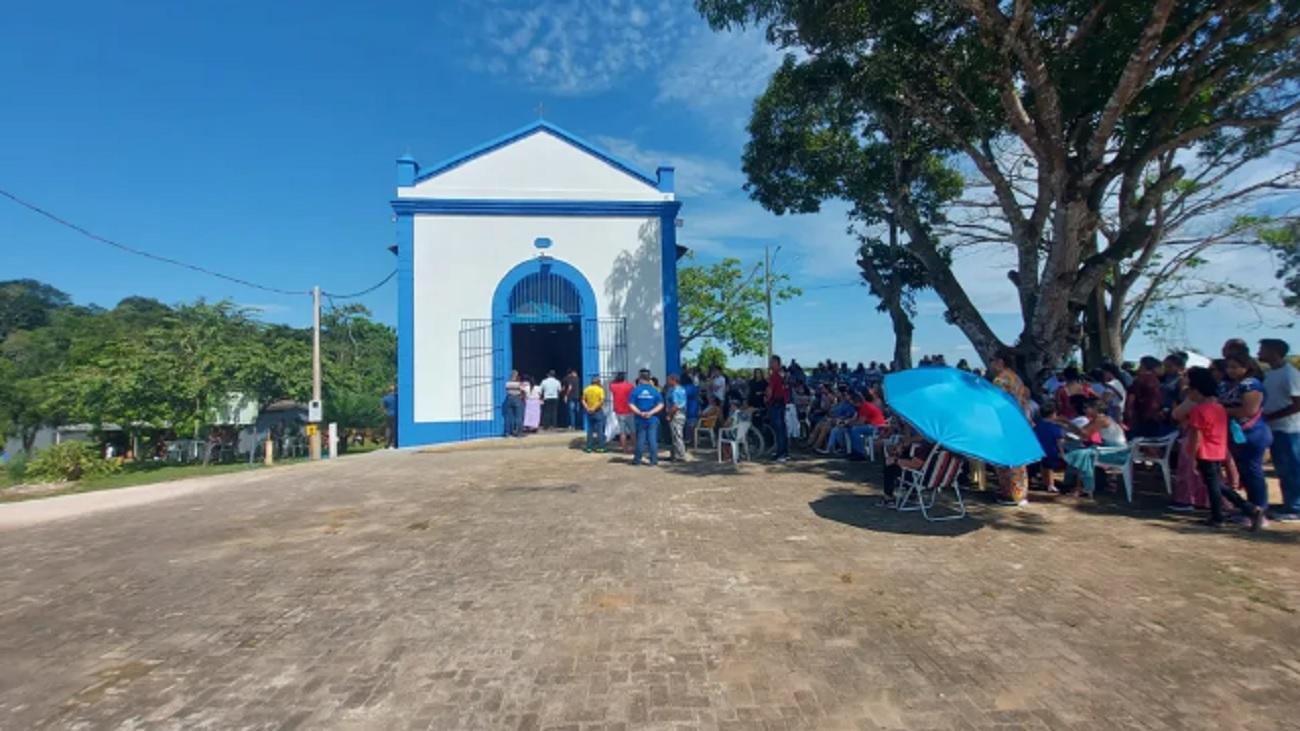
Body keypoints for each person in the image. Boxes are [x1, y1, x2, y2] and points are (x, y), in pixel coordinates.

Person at [1180, 366, 1264, 530]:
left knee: (1214, 485)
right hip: (1217, 449)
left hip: (1204, 451)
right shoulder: (1219, 408)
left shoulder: (1198, 410)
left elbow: (1197, 436)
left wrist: (1193, 456)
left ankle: (1242, 511)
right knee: (1215, 484)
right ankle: (1224, 514)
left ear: (1197, 391)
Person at [1220, 353, 1273, 522]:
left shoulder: (1251, 385)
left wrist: (1222, 411)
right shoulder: (1230, 385)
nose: (1231, 371)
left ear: (1247, 367)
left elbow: (1249, 410)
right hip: (1236, 433)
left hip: (1252, 433)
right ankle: (1250, 508)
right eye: (1229, 367)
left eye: (1235, 367)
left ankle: (1260, 509)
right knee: (1244, 471)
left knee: (1253, 471)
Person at [1259, 339, 1300, 521]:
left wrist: (1271, 416)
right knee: (1282, 468)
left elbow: (1297, 403)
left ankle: (1296, 507)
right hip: (1274, 428)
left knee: (1292, 467)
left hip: (1289, 429)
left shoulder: (1290, 374)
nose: (1259, 352)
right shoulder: (1270, 374)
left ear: (1275, 351)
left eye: (1263, 349)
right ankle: (1288, 502)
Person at [1060, 397, 1128, 497]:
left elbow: (1084, 434)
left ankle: (1083, 488)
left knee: (1082, 455)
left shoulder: (1101, 419)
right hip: (1111, 448)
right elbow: (1082, 431)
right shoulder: (1099, 419)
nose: (1085, 410)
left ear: (1095, 409)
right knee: (1082, 453)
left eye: (1087, 408)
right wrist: (1066, 425)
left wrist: (1068, 423)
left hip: (1116, 452)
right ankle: (1081, 486)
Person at [989, 349, 1032, 506]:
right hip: (1019, 421)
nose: (991, 364)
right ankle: (1021, 493)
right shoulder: (1015, 378)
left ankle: (1009, 494)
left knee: (1006, 460)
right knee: (1019, 462)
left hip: (1006, 424)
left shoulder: (1000, 380)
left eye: (993, 361)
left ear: (1000, 361)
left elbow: (996, 405)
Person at [1125, 356, 1166, 438]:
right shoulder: (1156, 380)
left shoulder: (1139, 380)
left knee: (1142, 441)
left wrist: (1129, 413)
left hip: (1141, 416)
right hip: (1154, 415)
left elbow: (1131, 398)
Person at [629, 372, 665, 466]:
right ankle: (653, 461)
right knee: (652, 439)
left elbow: (631, 404)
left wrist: (640, 412)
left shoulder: (636, 390)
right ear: (649, 380)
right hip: (652, 418)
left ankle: (637, 460)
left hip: (640, 418)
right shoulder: (654, 391)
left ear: (640, 379)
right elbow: (661, 404)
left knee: (640, 439)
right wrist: (651, 412)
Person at [1032, 402, 1067, 493]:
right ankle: (1051, 485)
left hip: (1039, 450)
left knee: (1043, 467)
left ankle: (1045, 482)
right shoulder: (1055, 427)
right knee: (1050, 469)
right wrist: (1062, 452)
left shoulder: (1037, 425)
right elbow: (1059, 441)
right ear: (1053, 414)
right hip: (1051, 450)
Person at [766, 355, 790, 462]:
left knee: (779, 429)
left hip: (775, 403)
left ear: (776, 363)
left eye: (771, 362)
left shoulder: (774, 375)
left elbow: (770, 390)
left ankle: (781, 454)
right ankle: (784, 452)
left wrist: (766, 398)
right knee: (782, 429)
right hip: (782, 403)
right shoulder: (784, 374)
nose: (770, 364)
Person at [609, 372, 634, 453]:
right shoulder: (629, 386)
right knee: (633, 431)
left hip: (619, 411)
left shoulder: (613, 386)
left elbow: (611, 384)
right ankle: (636, 447)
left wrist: (615, 380)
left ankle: (624, 449)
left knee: (622, 432)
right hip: (629, 410)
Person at [665, 374, 688, 461]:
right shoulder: (678, 389)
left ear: (674, 380)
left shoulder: (676, 391)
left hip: (676, 414)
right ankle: (674, 454)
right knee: (674, 435)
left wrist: (669, 415)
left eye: (669, 379)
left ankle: (680, 455)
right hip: (676, 413)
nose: (667, 381)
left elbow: (676, 405)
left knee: (677, 434)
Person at [582, 376, 607, 453]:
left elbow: (583, 400)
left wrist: (587, 408)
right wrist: (594, 408)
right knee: (600, 430)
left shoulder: (586, 389)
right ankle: (601, 447)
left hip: (589, 411)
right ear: (598, 382)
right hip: (597, 411)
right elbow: (601, 401)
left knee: (590, 430)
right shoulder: (600, 390)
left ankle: (589, 447)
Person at [503, 370, 524, 438]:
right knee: (518, 417)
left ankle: (507, 433)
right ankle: (519, 433)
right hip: (517, 398)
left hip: (509, 398)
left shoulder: (507, 383)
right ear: (516, 376)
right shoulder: (519, 384)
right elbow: (523, 390)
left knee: (508, 417)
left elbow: (506, 390)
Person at [682, 374, 701, 446]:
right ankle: (695, 440)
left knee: (689, 424)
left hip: (689, 407)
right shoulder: (695, 387)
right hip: (694, 406)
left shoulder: (685, 388)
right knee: (693, 424)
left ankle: (689, 439)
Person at [380, 383, 398, 448]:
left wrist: (386, 413)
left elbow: (382, 408)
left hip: (388, 415)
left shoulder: (385, 398)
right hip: (396, 415)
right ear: (395, 390)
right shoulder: (397, 397)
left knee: (388, 429)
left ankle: (387, 444)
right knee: (394, 429)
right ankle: (393, 444)